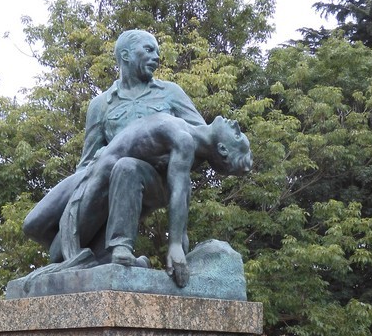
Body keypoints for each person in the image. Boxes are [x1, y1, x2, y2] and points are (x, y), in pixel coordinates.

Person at [23, 29, 207, 265]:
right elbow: (88, 159)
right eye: (149, 49)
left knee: (126, 167)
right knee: (33, 225)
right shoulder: (100, 105)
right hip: (103, 171)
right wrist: (83, 199)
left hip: (155, 180)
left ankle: (118, 248)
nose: (157, 57)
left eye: (157, 51)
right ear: (126, 55)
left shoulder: (170, 93)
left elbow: (201, 141)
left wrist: (169, 158)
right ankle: (93, 254)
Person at [59, 113, 252, 286]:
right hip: (96, 179)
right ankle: (106, 255)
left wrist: (175, 245)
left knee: (127, 168)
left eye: (237, 136)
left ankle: (121, 247)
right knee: (44, 236)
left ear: (223, 149)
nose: (235, 123)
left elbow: (179, 192)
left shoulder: (185, 141)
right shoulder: (189, 131)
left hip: (110, 181)